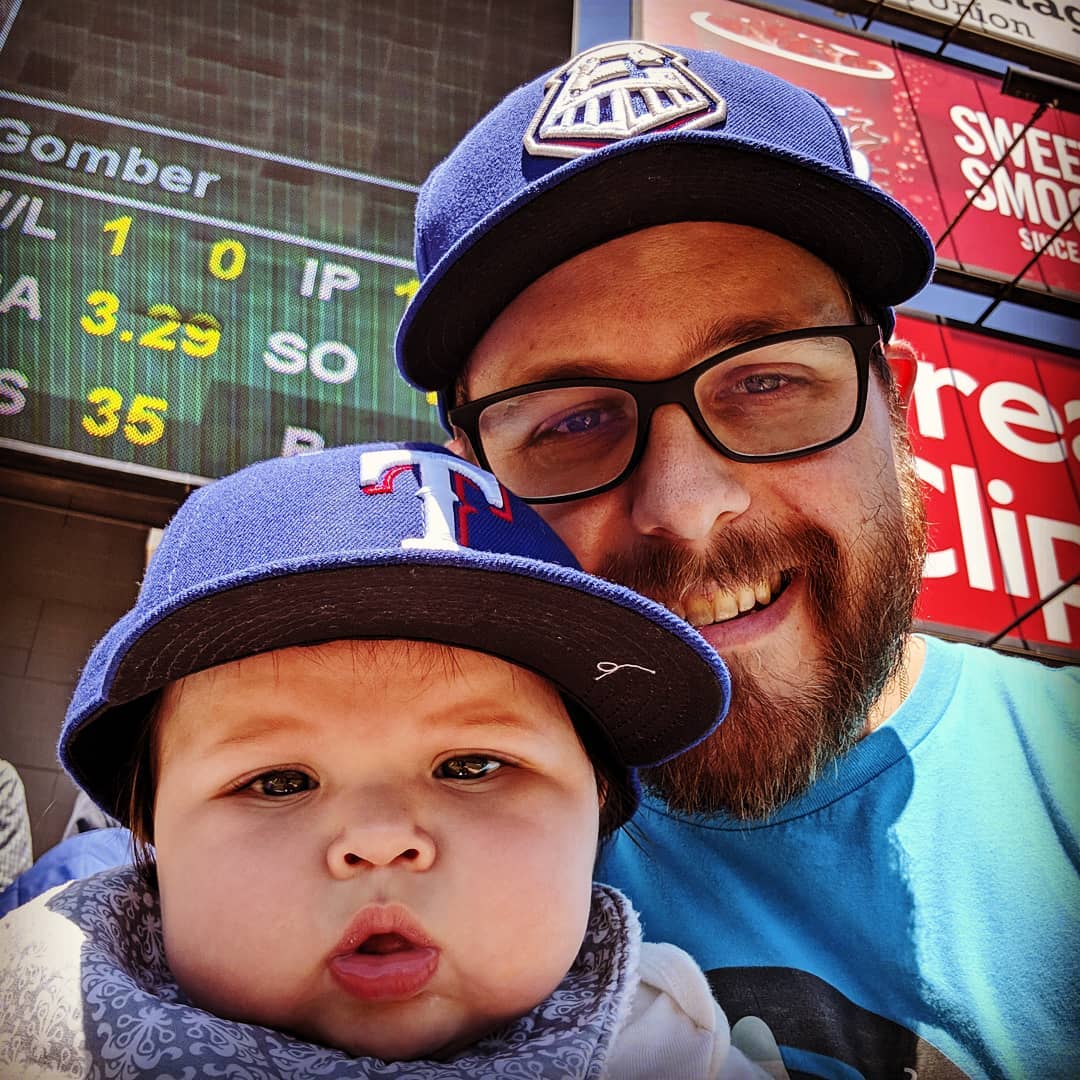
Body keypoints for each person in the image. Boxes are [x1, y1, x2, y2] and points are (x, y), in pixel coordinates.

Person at [393, 39, 1080, 1078]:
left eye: (765, 382)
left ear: (893, 408)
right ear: (474, 477)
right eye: (575, 420)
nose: (687, 510)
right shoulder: (390, 843)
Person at [0, 442, 787, 1079]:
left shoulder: (668, 1045)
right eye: (278, 781)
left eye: (473, 765)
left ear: (600, 808)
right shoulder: (43, 1006)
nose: (379, 838)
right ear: (149, 840)